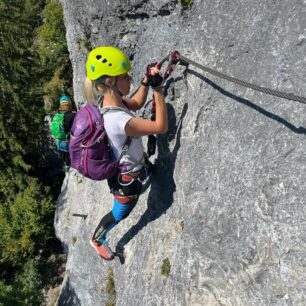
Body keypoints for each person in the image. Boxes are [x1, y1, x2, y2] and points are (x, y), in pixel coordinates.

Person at [85, 46, 168, 260]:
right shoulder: (118, 120)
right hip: (127, 181)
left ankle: (147, 168)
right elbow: (160, 127)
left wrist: (145, 83)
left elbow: (138, 102)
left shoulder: (109, 102)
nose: (129, 78)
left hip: (127, 166)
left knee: (144, 168)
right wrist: (158, 90)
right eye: (125, 76)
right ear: (111, 82)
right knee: (121, 212)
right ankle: (97, 239)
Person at [51, 95, 76, 167]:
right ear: (70, 104)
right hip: (68, 143)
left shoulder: (58, 116)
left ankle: (67, 165)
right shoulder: (73, 115)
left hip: (59, 143)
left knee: (66, 158)